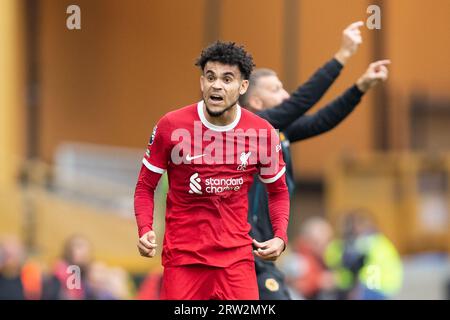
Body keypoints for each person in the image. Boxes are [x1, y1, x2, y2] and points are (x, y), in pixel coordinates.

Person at [239, 21, 391, 299]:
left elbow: (321, 120)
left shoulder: (276, 131)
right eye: (275, 90)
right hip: (243, 253)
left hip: (262, 252)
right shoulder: (251, 128)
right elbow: (301, 102)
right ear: (256, 103)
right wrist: (343, 55)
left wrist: (360, 86)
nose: (284, 95)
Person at [134, 41, 290, 300]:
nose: (217, 85)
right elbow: (145, 186)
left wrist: (280, 236)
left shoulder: (262, 133)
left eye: (227, 79)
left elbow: (279, 192)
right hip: (183, 260)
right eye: (210, 77)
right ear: (202, 82)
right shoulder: (171, 126)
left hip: (236, 260)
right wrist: (144, 228)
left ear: (243, 87)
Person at [324, 209, 403, 300]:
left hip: (375, 286)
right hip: (384, 286)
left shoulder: (366, 242)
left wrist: (338, 280)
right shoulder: (378, 240)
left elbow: (357, 269)